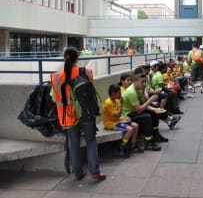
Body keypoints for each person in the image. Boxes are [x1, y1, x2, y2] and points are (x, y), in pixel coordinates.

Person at [50, 47, 106, 181]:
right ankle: (95, 172)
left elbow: (53, 98)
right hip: (86, 113)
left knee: (73, 144)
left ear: (64, 58)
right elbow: (91, 91)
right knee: (91, 141)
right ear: (77, 59)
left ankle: (78, 173)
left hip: (68, 116)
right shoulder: (86, 72)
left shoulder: (57, 77)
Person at [121, 71, 162, 151]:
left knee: (154, 113)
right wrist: (150, 100)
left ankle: (155, 135)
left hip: (135, 111)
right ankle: (148, 142)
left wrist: (154, 109)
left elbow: (143, 103)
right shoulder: (131, 92)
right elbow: (139, 109)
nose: (144, 84)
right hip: (127, 114)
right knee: (147, 117)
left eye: (145, 82)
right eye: (142, 82)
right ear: (135, 81)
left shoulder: (139, 89)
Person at [102, 84, 143, 158]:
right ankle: (121, 147)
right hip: (111, 123)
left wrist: (125, 118)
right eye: (119, 93)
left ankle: (132, 145)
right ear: (113, 94)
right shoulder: (108, 103)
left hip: (117, 120)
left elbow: (119, 115)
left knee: (136, 125)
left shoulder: (116, 101)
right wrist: (121, 104)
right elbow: (117, 115)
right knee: (130, 129)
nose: (120, 95)